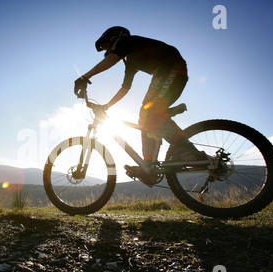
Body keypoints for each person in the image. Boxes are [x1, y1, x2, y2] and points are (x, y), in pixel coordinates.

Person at [74, 26, 206, 187]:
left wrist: (84, 76)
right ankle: (147, 167)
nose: (105, 50)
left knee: (148, 111)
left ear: (115, 37)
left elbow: (112, 58)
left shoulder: (127, 41)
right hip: (168, 72)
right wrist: (106, 106)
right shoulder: (131, 60)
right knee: (146, 118)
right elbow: (125, 88)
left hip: (172, 68)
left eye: (106, 45)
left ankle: (191, 153)